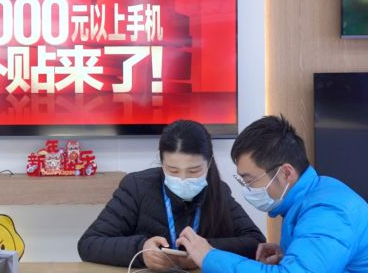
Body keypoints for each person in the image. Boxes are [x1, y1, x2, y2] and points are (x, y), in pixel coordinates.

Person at [177, 115, 368, 273]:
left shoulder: (329, 212)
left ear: (286, 173)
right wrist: (288, 254)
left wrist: (209, 257)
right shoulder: (315, 194)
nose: (248, 188)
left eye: (250, 180)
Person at [78, 120, 265, 270]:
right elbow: (89, 244)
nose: (182, 179)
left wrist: (206, 253)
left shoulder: (218, 190)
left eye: (193, 171)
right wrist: (141, 250)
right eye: (173, 170)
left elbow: (255, 242)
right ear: (162, 163)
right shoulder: (136, 187)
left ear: (208, 164)